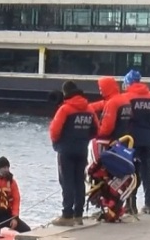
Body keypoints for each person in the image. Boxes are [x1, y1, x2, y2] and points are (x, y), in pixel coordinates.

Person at [50, 80, 99, 226]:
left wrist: (58, 144)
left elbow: (54, 131)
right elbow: (97, 129)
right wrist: (84, 139)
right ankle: (79, 214)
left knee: (67, 182)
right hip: (82, 150)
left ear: (65, 93)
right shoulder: (89, 109)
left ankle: (67, 214)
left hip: (66, 150)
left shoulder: (65, 109)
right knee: (79, 181)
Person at [122, 69, 150, 215]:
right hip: (147, 140)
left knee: (129, 171)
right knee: (146, 170)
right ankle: (149, 204)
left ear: (127, 83)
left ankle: (130, 204)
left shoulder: (127, 97)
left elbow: (122, 119)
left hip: (131, 140)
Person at [89, 76, 132, 141]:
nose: (100, 93)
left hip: (113, 142)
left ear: (107, 88)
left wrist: (96, 134)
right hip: (125, 140)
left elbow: (107, 128)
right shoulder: (124, 100)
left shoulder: (112, 103)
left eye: (101, 89)